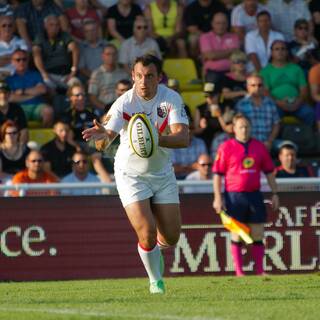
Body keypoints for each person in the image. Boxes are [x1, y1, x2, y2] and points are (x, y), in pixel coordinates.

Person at [82, 54, 189, 294]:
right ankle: (155, 282)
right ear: (132, 76)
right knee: (147, 232)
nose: (143, 81)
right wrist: (103, 137)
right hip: (131, 175)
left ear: (159, 77)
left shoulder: (171, 99)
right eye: (139, 76)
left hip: (162, 173)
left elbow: (183, 138)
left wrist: (156, 138)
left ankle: (155, 254)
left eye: (149, 76)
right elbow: (106, 139)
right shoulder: (124, 103)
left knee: (171, 237)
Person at [213, 113, 279, 276]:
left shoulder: (259, 147)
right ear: (234, 129)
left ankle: (259, 271)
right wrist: (217, 197)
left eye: (247, 126)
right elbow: (217, 174)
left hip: (254, 195)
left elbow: (269, 172)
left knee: (258, 233)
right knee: (237, 233)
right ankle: (239, 272)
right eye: (241, 126)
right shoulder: (226, 147)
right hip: (234, 196)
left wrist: (275, 193)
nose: (244, 129)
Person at [260, 40, 315, 126]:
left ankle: (306, 137)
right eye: (277, 49)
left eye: (283, 49)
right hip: (276, 104)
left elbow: (304, 89)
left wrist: (298, 101)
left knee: (309, 113)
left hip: (296, 102)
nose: (280, 51)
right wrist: (279, 102)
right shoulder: (265, 71)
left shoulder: (296, 68)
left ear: (287, 52)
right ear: (272, 52)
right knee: (272, 115)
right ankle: (277, 138)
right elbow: (265, 92)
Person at [6, 49, 54, 127]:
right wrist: (34, 93)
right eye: (18, 60)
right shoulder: (9, 79)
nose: (21, 62)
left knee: (48, 111)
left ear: (28, 60)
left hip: (38, 106)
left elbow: (43, 90)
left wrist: (22, 91)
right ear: (12, 62)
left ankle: (46, 138)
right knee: (13, 116)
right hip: (19, 108)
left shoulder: (36, 74)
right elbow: (11, 98)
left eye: (24, 59)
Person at [32, 14, 80, 91]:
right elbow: (36, 53)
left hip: (65, 74)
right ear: (45, 26)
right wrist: (43, 73)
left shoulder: (64, 35)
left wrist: (73, 71)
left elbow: (75, 49)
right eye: (51, 25)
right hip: (49, 74)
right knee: (45, 87)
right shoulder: (40, 37)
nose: (54, 27)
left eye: (57, 25)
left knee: (76, 85)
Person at [235, 74, 280, 151]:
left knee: (288, 148)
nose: (257, 88)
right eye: (253, 85)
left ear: (264, 87)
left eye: (260, 85)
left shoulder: (270, 103)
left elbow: (276, 124)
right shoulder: (241, 104)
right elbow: (240, 127)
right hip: (249, 142)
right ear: (248, 87)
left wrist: (270, 141)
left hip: (269, 142)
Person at [88, 44, 129, 116]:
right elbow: (92, 97)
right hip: (103, 109)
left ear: (117, 56)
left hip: (122, 108)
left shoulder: (123, 73)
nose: (111, 57)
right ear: (102, 56)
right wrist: (106, 108)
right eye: (108, 54)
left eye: (114, 54)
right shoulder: (96, 74)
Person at [200, 11, 240, 83]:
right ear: (212, 24)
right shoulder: (205, 37)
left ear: (227, 24)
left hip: (231, 71)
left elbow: (236, 54)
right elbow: (210, 56)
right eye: (218, 23)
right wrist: (230, 51)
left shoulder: (234, 37)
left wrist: (216, 54)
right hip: (212, 73)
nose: (221, 26)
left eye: (223, 23)